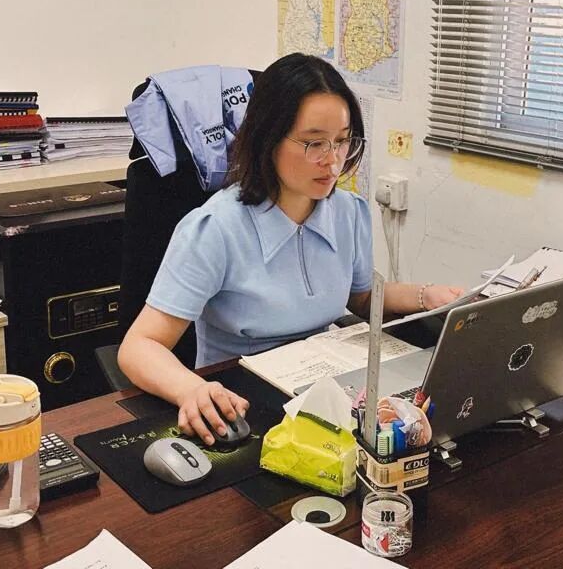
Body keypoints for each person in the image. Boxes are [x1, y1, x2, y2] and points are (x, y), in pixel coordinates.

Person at [118, 53, 464, 445]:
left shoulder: (349, 212)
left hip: (327, 394)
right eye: (314, 143)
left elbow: (362, 297)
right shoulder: (215, 228)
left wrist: (427, 296)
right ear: (268, 138)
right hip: (244, 404)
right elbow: (139, 347)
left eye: (342, 141)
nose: (332, 161)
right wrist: (191, 389)